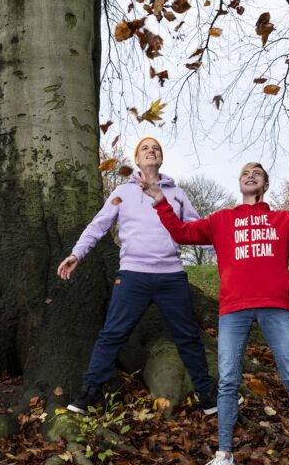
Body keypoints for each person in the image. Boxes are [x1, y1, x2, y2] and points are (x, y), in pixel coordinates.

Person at [139, 144, 289, 465]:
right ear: (240, 183)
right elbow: (181, 233)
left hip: (275, 307)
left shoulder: (282, 220)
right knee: (227, 381)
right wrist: (158, 198)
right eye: (245, 172)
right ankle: (224, 456)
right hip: (233, 310)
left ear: (265, 184)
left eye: (257, 172)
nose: (250, 174)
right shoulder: (222, 220)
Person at [58, 137, 219, 415]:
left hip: (171, 277)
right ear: (137, 160)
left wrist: (226, 251)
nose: (151, 151)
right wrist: (77, 254)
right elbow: (98, 226)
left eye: (156, 148)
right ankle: (88, 395)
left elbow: (198, 230)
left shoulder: (177, 193)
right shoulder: (122, 191)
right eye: (145, 148)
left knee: (188, 337)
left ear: (161, 159)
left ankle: (208, 396)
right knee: (112, 335)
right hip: (133, 275)